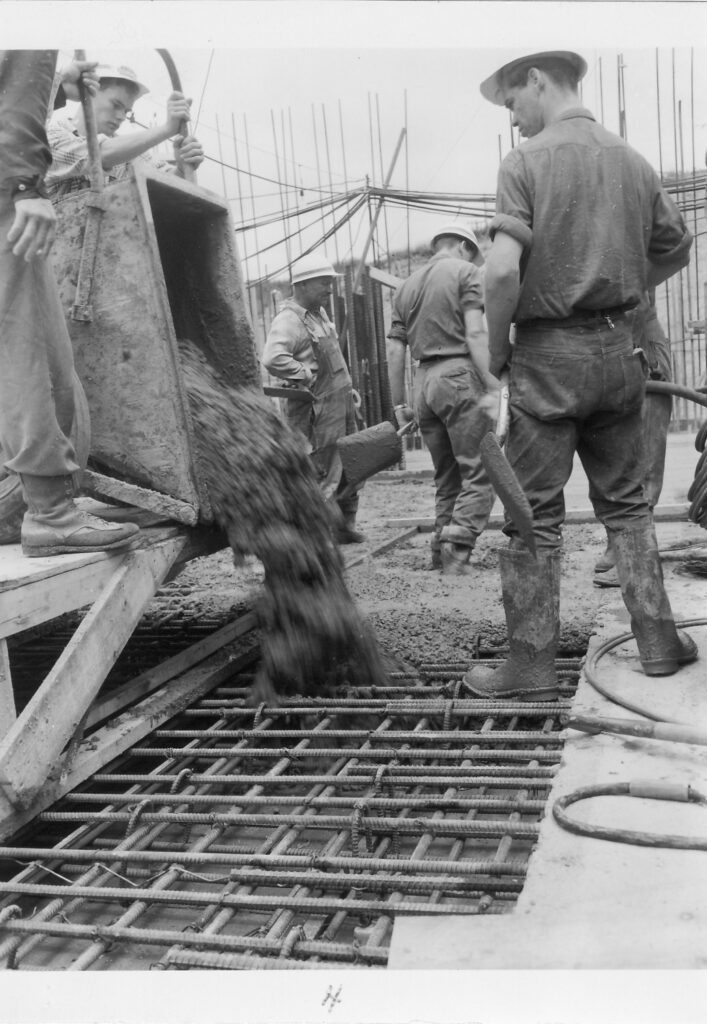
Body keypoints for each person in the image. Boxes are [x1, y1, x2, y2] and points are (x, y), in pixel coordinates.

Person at [465, 49, 696, 700]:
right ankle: (656, 645)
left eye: (512, 102)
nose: (512, 120)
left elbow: (502, 270)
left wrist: (498, 349)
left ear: (536, 81)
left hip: (548, 356)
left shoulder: (524, 162)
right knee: (626, 507)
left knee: (532, 516)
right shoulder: (630, 159)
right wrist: (618, 284)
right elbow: (674, 247)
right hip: (619, 353)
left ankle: (530, 667)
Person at [0, 49, 139, 557]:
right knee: (27, 349)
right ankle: (50, 513)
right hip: (4, 190)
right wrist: (22, 184)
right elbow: (16, 80)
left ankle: (50, 504)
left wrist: (58, 80)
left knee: (35, 352)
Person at [387, 223, 497, 573]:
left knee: (447, 476)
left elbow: (394, 351)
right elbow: (476, 332)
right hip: (459, 377)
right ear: (464, 246)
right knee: (481, 470)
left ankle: (439, 550)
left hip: (424, 386)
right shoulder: (466, 272)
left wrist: (399, 404)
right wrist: (492, 382)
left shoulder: (405, 288)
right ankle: (457, 544)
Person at [261, 253, 364, 544]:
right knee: (322, 470)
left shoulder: (318, 314)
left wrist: (348, 389)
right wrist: (304, 374)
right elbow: (272, 357)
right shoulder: (289, 320)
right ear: (303, 285)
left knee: (350, 464)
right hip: (318, 410)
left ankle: (344, 528)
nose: (329, 289)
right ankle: (315, 539)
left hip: (340, 403)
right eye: (323, 283)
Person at [593, 291, 673, 586]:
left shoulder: (634, 245)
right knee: (614, 456)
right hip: (613, 342)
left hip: (641, 343)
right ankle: (617, 544)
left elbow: (639, 294)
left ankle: (636, 555)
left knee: (645, 457)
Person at [45, 63, 204, 200]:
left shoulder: (128, 153)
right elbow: (99, 155)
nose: (121, 116)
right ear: (87, 95)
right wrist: (167, 129)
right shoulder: (50, 137)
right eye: (115, 105)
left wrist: (182, 169)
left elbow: (166, 183)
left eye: (127, 111)